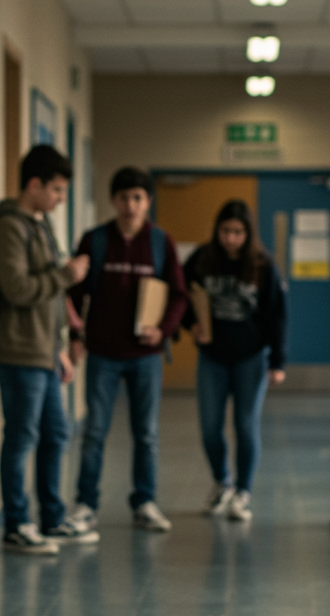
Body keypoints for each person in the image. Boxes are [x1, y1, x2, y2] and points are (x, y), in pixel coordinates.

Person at [0, 145, 96, 554]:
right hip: (16, 350)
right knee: (21, 436)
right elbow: (18, 289)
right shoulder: (7, 227)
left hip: (44, 351)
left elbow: (50, 296)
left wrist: (61, 347)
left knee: (56, 433)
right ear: (34, 184)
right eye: (57, 189)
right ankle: (17, 523)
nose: (61, 198)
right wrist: (64, 275)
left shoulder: (41, 225)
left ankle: (51, 517)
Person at [67, 167, 188, 532]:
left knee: (146, 433)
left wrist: (164, 331)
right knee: (95, 432)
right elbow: (75, 292)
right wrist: (75, 336)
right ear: (113, 201)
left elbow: (179, 295)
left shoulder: (159, 243)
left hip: (145, 356)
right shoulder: (95, 240)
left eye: (138, 198)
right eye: (124, 198)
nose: (130, 205)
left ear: (148, 201)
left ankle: (145, 501)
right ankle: (86, 503)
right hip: (102, 352)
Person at [183, 200, 287, 522]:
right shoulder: (200, 260)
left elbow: (277, 314)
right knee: (210, 427)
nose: (231, 238)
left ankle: (243, 491)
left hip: (251, 358)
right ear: (217, 230)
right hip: (212, 357)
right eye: (226, 231)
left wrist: (278, 361)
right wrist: (191, 324)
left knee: (245, 426)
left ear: (248, 233)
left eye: (238, 232)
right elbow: (181, 296)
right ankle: (221, 482)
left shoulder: (262, 266)